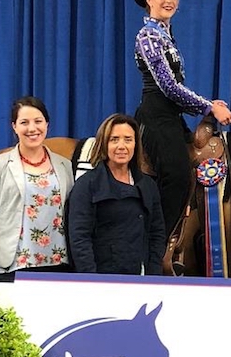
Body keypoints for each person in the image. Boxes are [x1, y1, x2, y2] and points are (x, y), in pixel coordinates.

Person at [131, 0, 231, 236]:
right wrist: (209, 106)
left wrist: (209, 104)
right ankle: (157, 244)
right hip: (156, 117)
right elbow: (169, 87)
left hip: (170, 117)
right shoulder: (149, 36)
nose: (169, 0)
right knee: (176, 177)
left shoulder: (165, 35)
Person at [0, 96, 75, 281]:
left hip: (59, 265)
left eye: (38, 121)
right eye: (24, 122)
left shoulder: (65, 165)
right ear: (14, 126)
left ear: (47, 124)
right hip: (13, 266)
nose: (32, 128)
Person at [66, 114, 166, 275]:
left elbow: (157, 233)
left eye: (128, 139)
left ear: (135, 144)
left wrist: (153, 274)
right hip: (102, 278)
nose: (121, 146)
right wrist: (90, 279)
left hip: (142, 277)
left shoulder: (148, 185)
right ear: (104, 144)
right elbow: (79, 237)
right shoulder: (87, 184)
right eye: (114, 139)